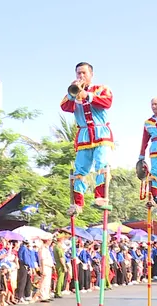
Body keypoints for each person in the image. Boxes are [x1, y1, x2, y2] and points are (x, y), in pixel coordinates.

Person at [60, 62, 114, 216]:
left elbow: (107, 102)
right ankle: (77, 204)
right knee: (80, 169)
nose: (81, 76)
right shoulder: (73, 94)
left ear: (91, 74)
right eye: (78, 73)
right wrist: (73, 93)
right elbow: (65, 107)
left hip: (100, 132)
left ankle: (100, 196)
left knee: (101, 163)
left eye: (84, 73)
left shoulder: (102, 89)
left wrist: (87, 96)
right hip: (84, 134)